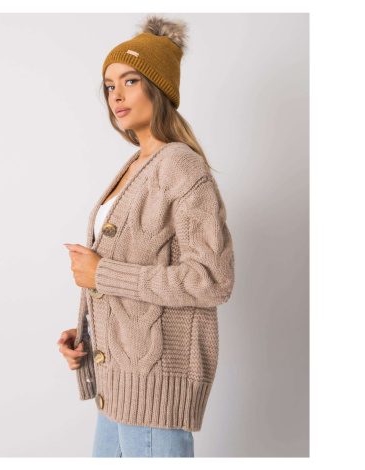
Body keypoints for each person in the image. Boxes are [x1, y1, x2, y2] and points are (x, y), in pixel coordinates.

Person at [57, 14, 235, 457]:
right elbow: (135, 275)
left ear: (159, 88)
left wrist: (103, 274)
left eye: (130, 81)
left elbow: (212, 279)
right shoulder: (136, 166)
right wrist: (88, 335)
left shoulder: (179, 165)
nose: (116, 95)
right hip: (118, 384)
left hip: (154, 391)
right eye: (109, 85)